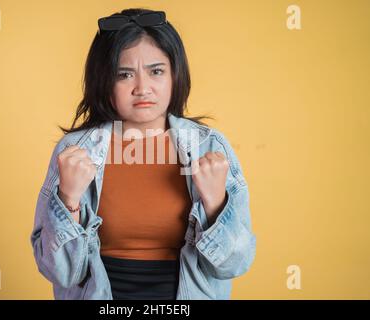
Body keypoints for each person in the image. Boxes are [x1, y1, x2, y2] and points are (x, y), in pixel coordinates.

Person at [31, 8, 256, 300]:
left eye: (156, 71)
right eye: (124, 74)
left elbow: (234, 264)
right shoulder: (75, 152)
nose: (142, 88)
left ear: (175, 75)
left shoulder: (209, 148)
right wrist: (69, 201)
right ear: (105, 81)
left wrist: (215, 207)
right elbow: (61, 272)